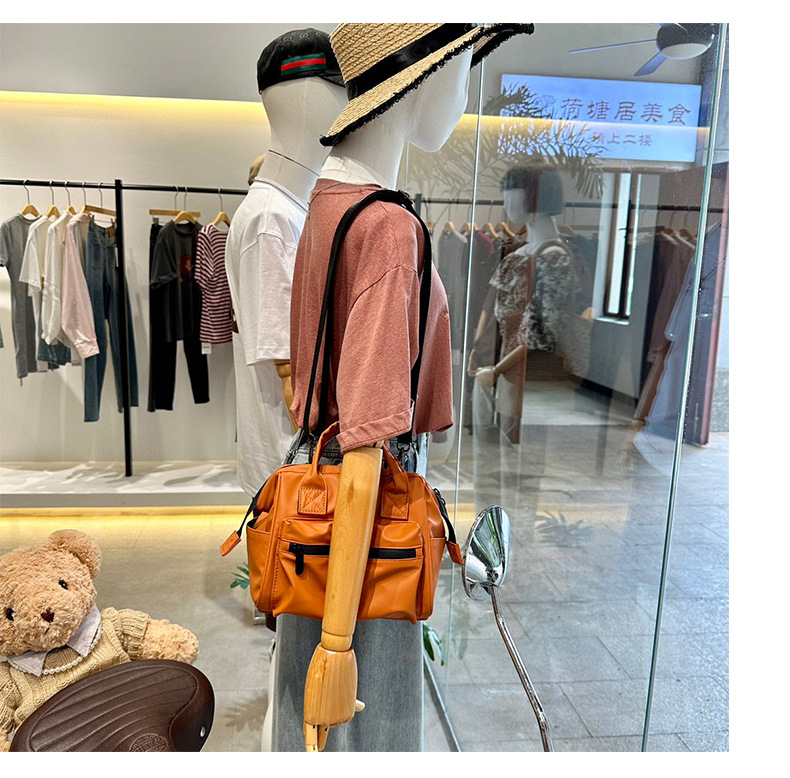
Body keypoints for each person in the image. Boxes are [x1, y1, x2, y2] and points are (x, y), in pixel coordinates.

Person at [275, 22, 534, 752]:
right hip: (366, 510)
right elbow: (366, 441)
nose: (465, 92)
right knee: (372, 726)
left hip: (314, 487)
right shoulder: (389, 226)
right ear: (420, 82)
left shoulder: (327, 198)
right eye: (462, 68)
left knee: (304, 719)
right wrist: (337, 644)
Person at [225, 28, 346, 500]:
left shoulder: (287, 210)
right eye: (342, 92)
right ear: (309, 99)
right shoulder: (271, 219)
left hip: (295, 469)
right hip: (295, 475)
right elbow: (291, 371)